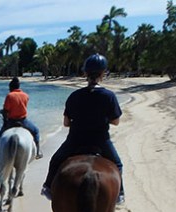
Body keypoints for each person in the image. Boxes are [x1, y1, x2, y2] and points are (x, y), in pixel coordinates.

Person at [41, 53, 125, 204]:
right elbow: (116, 121)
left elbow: (66, 123)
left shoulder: (74, 96)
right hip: (101, 141)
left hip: (75, 140)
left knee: (55, 160)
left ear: (85, 73)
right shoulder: (109, 96)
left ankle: (48, 187)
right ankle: (119, 194)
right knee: (117, 164)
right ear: (103, 74)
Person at [0, 77, 43, 159]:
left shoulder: (9, 95)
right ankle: (37, 152)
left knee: (0, 135)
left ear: (11, 87)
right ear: (18, 87)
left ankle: (0, 151)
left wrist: (3, 116)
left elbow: (6, 110)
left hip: (11, 121)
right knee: (36, 131)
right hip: (23, 121)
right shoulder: (26, 95)